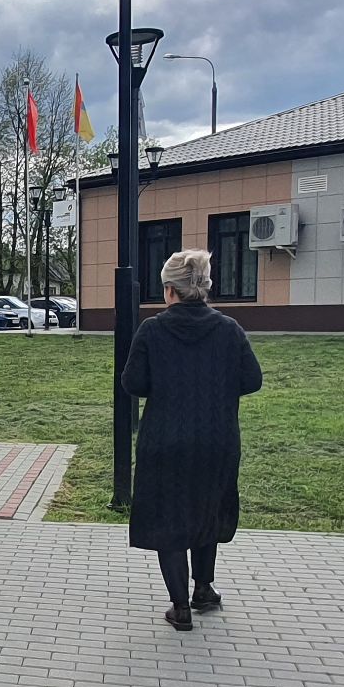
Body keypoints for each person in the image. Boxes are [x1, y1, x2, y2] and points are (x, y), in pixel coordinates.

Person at [120, 250, 262, 631]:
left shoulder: (152, 330)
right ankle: (203, 589)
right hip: (217, 439)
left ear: (170, 290)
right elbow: (252, 379)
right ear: (204, 288)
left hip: (165, 440)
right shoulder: (229, 329)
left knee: (168, 517)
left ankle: (180, 606)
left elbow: (133, 383)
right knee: (206, 509)